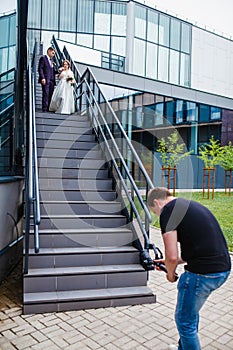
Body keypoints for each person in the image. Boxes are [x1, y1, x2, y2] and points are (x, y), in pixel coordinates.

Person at [147, 187, 231, 350]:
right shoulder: (188, 205)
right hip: (222, 269)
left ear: (156, 202)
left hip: (202, 275)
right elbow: (194, 250)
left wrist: (170, 274)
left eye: (155, 212)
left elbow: (172, 256)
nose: (158, 216)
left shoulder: (168, 211)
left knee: (184, 320)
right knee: (190, 315)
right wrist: (169, 263)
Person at [38, 47, 57, 112]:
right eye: (53, 53)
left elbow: (53, 70)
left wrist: (59, 71)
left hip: (52, 80)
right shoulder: (43, 58)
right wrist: (42, 78)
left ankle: (49, 108)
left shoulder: (52, 61)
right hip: (46, 79)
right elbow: (40, 69)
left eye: (54, 53)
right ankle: (45, 109)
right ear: (49, 51)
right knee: (46, 94)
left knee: (50, 94)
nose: (53, 54)